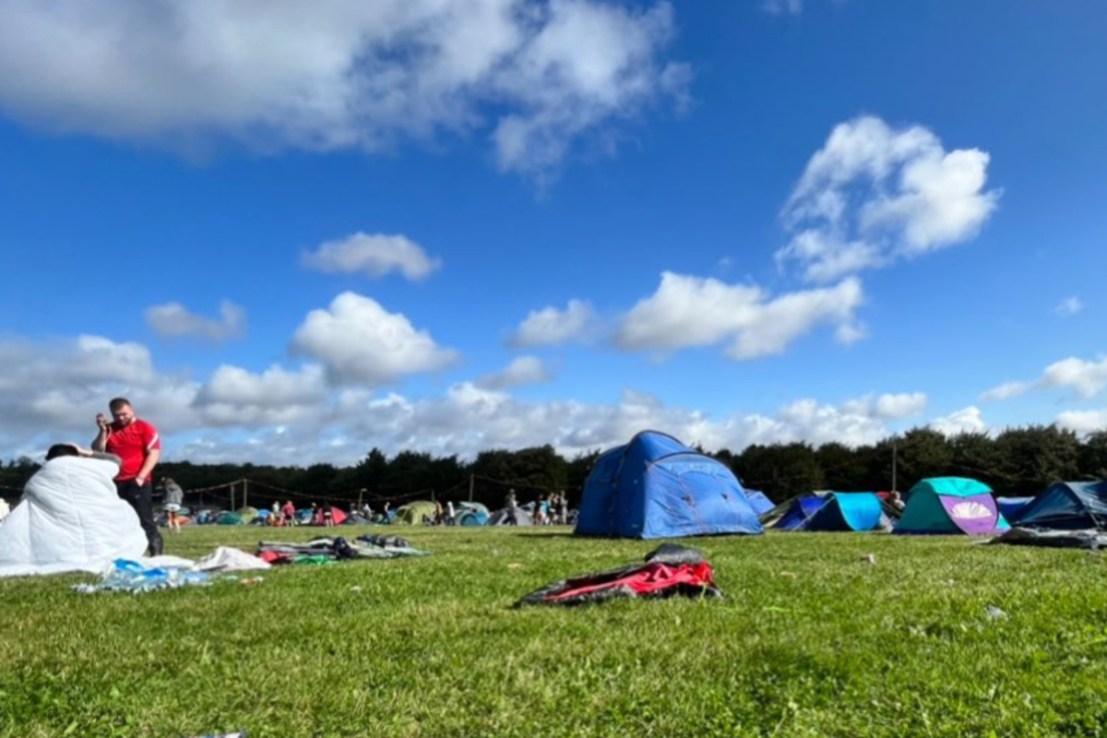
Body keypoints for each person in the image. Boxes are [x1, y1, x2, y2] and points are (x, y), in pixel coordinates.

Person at [0, 444, 148, 577]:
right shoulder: (95, 467)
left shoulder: (40, 476)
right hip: (99, 532)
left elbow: (27, 501)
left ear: (49, 459)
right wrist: (87, 453)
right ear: (77, 455)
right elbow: (116, 460)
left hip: (59, 546)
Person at [92, 397, 163, 556]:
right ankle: (121, 553)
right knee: (116, 520)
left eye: (124, 414)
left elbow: (154, 454)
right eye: (117, 415)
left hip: (137, 481)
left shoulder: (145, 428)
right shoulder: (110, 429)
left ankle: (156, 551)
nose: (121, 418)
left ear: (131, 409)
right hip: (114, 481)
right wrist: (102, 430)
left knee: (145, 519)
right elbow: (97, 450)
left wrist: (141, 477)